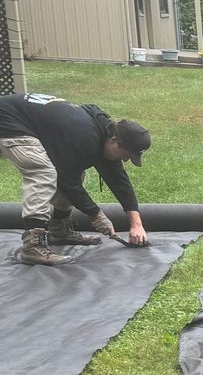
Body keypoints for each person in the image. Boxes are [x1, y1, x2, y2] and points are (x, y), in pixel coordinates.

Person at [0, 95, 152, 266]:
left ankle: (60, 230)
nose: (125, 160)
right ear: (114, 141)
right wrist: (97, 215)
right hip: (9, 120)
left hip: (22, 119)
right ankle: (33, 245)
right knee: (43, 173)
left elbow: (119, 181)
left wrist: (136, 224)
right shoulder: (85, 137)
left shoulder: (104, 133)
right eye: (126, 155)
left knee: (74, 170)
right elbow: (67, 182)